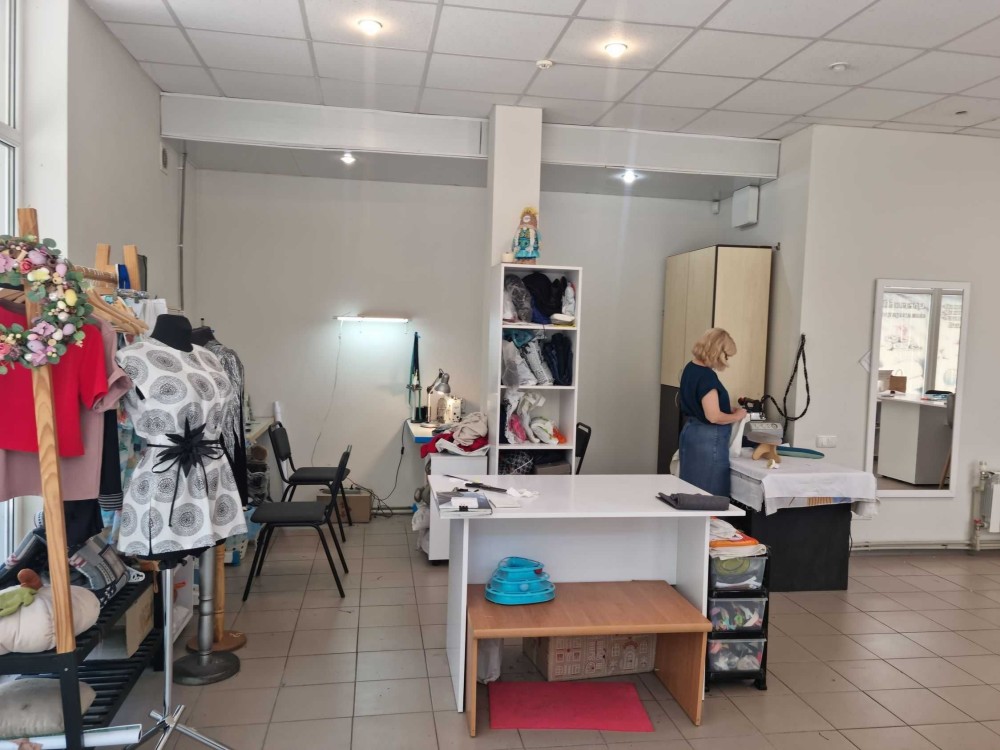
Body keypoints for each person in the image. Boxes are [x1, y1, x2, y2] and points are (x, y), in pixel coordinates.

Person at [678, 328, 747, 496]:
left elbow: (700, 403)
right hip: (708, 440)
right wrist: (737, 415)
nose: (727, 361)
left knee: (691, 492)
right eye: (727, 356)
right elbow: (713, 416)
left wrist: (727, 409)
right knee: (710, 495)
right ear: (718, 352)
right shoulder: (707, 376)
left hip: (691, 432)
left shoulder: (690, 368)